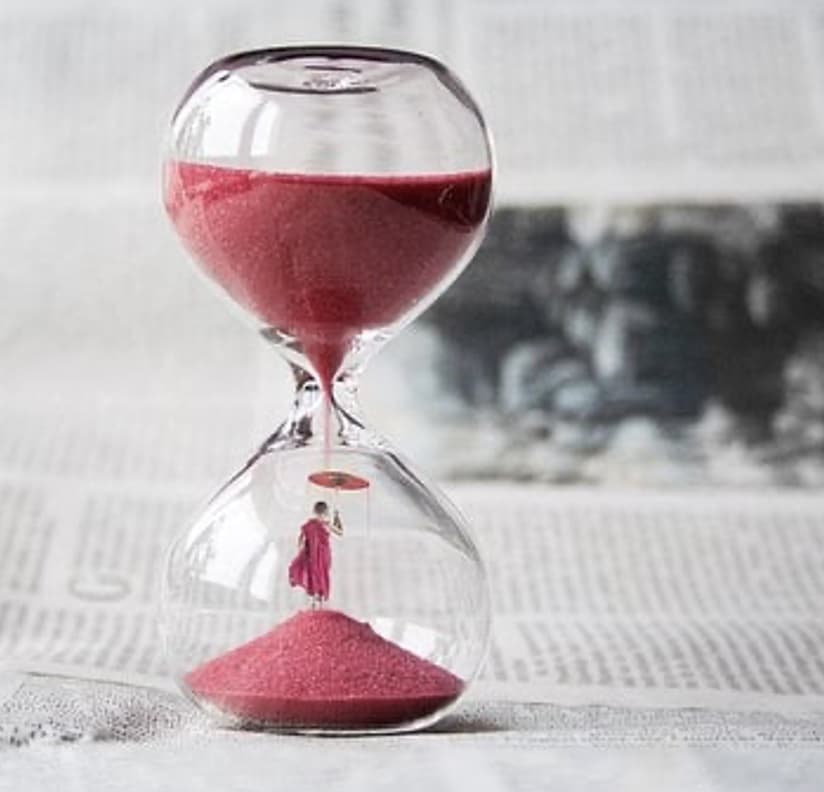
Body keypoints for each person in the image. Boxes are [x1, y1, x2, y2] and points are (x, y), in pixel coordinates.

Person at [288, 501, 343, 607]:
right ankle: (318, 601)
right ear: (326, 512)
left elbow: (300, 542)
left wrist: (302, 552)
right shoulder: (324, 525)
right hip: (320, 555)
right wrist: (337, 518)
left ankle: (315, 600)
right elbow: (340, 532)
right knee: (320, 575)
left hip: (316, 555)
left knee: (316, 575)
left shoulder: (310, 525)